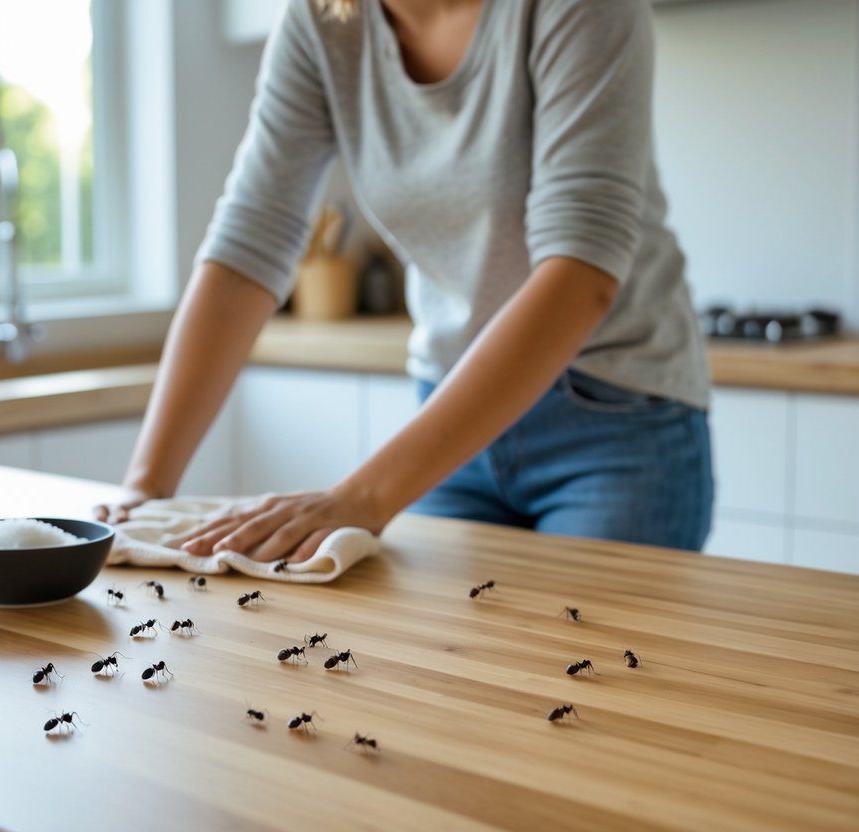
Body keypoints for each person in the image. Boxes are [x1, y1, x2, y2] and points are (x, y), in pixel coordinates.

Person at [94, 0, 713, 562]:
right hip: (450, 414)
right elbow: (248, 247)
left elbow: (580, 271)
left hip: (615, 419)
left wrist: (362, 495)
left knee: (583, 677)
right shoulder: (322, 22)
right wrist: (146, 490)